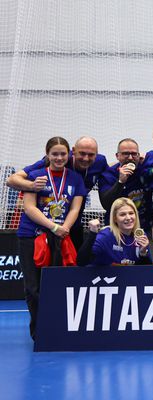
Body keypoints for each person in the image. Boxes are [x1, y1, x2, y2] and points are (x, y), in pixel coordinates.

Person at [16, 137, 87, 339]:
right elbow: (29, 208)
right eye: (54, 154)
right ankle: (39, 332)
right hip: (32, 236)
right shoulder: (35, 176)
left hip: (60, 237)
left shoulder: (75, 178)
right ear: (47, 154)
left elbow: (75, 208)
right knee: (33, 287)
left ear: (69, 155)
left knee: (57, 284)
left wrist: (64, 228)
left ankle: (58, 328)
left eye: (63, 154)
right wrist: (53, 226)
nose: (59, 158)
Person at [7, 135, 108, 248]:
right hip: (43, 225)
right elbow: (11, 180)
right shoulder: (57, 158)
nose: (86, 158)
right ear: (73, 151)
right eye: (82, 153)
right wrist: (32, 185)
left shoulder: (100, 162)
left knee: (74, 257)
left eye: (91, 155)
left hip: (72, 223)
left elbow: (111, 175)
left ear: (97, 154)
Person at [98, 138, 153, 231]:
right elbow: (106, 205)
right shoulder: (108, 175)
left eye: (134, 154)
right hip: (117, 229)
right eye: (125, 154)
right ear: (117, 156)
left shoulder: (144, 170)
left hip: (143, 227)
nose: (130, 157)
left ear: (139, 155)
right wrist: (120, 181)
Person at [77, 198, 151, 266]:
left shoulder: (140, 236)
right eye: (122, 214)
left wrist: (143, 253)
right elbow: (81, 262)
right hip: (103, 276)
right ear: (115, 218)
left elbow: (146, 271)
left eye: (131, 213)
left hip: (127, 276)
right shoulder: (106, 236)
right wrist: (92, 233)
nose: (128, 218)